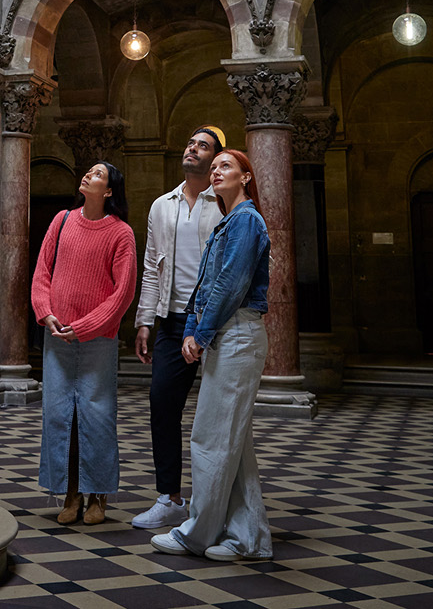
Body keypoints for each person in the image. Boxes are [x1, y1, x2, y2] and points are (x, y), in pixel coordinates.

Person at [152, 149, 272, 562]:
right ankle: (248, 539)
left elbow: (231, 284)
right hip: (225, 332)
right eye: (215, 166)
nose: (217, 171)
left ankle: (196, 534)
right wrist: (191, 329)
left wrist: (200, 334)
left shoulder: (246, 221)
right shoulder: (227, 223)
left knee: (211, 438)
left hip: (236, 332)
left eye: (227, 166)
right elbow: (203, 286)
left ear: (246, 178)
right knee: (234, 445)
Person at [130, 125, 227, 530]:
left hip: (215, 321)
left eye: (203, 145)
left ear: (217, 159)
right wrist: (144, 319)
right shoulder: (161, 206)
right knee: (162, 405)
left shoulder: (224, 204)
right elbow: (153, 266)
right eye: (190, 142)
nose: (192, 148)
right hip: (172, 320)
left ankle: (217, 506)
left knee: (219, 416)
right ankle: (170, 497)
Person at [31, 161, 138, 526]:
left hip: (97, 341)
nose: (88, 176)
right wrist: (46, 313)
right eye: (89, 172)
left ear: (108, 191)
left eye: (97, 175)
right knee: (60, 416)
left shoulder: (121, 234)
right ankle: (71, 493)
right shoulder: (61, 221)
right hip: (57, 337)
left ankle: (99, 496)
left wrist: (87, 326)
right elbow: (42, 272)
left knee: (97, 417)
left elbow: (122, 294)